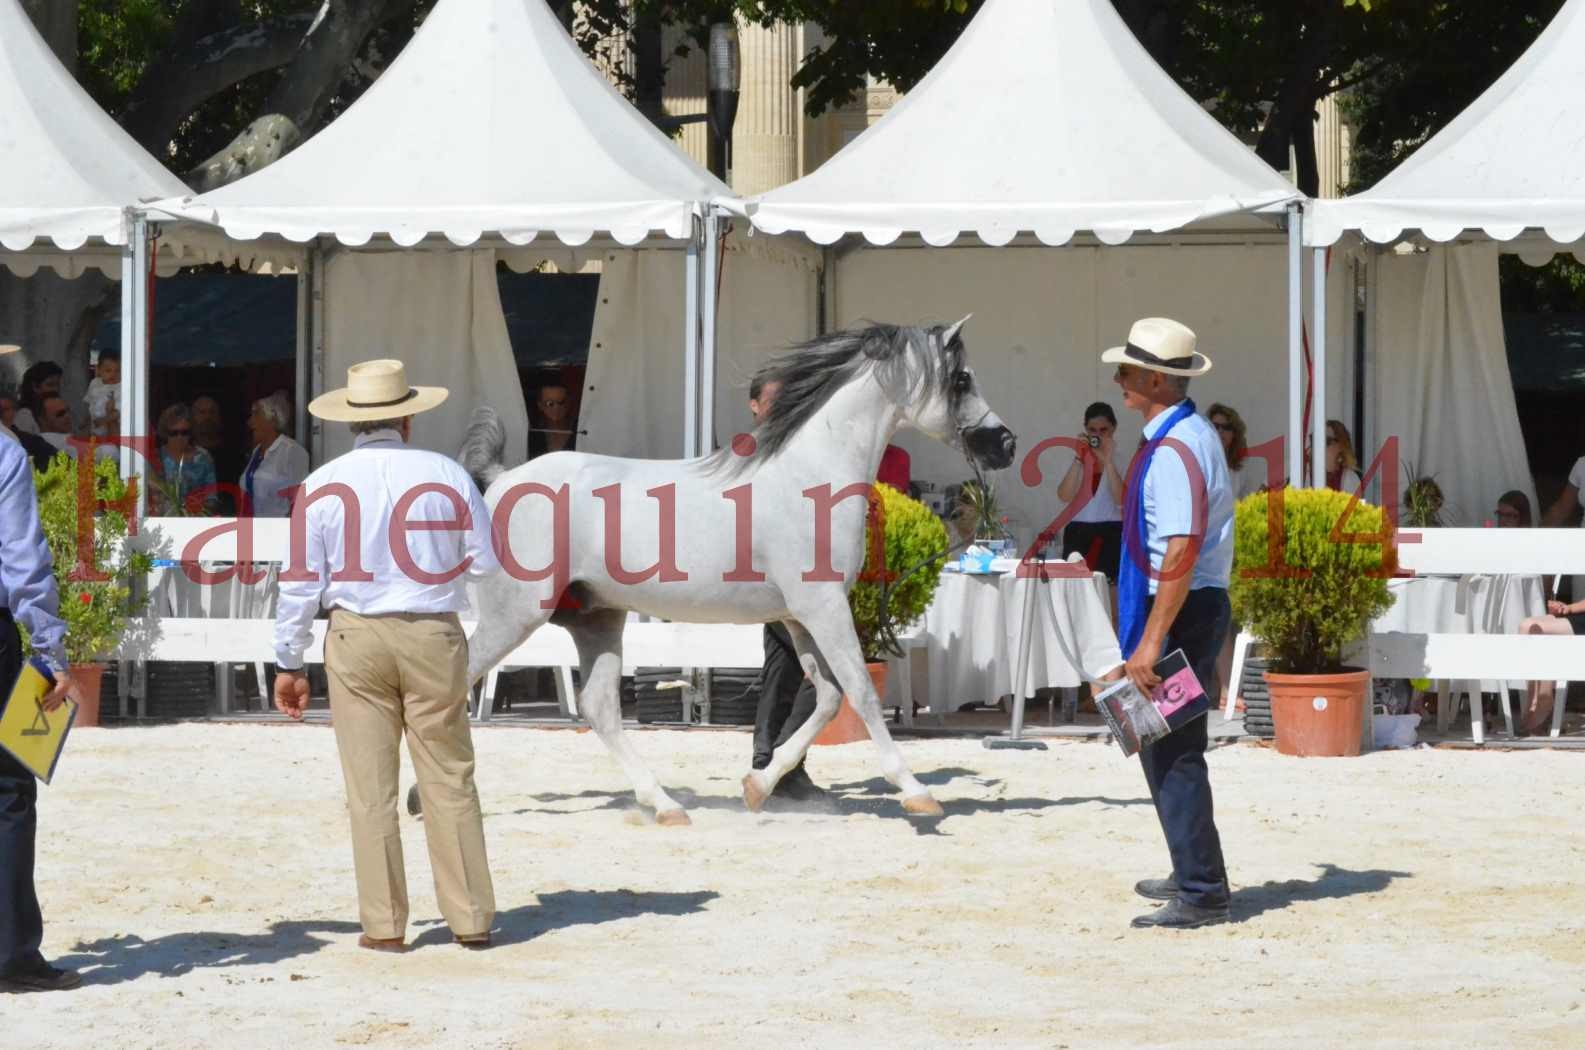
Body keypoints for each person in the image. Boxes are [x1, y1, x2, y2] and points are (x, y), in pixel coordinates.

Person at [272, 359, 499, 952]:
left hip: (356, 634)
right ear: (406, 416)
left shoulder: (322, 484)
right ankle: (470, 916)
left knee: (369, 787)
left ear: (352, 420)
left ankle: (384, 925)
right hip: (431, 630)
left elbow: (299, 583)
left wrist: (288, 661)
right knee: (449, 775)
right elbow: (485, 563)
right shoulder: (447, 473)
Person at [1101, 317, 1233, 930]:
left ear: (1155, 378)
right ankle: (1192, 870)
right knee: (1165, 745)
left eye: (1126, 370)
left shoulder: (1177, 447)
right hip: (1190, 606)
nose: (1118, 379)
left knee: (1174, 750)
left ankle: (1203, 890)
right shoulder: (1185, 435)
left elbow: (1179, 550)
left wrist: (1151, 640)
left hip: (1181, 610)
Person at [0, 426, 81, 992]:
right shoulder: (3, 451)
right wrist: (49, 648)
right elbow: (21, 556)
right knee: (7, 791)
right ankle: (11, 954)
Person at [744, 375, 830, 804]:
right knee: (820, 669)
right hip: (775, 572)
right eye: (773, 400)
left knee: (784, 669)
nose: (783, 406)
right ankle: (783, 763)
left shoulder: (797, 448)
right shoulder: (753, 453)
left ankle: (770, 761)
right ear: (754, 406)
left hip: (797, 572)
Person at [1056, 402, 1124, 581]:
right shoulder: (1077, 456)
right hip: (1078, 531)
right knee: (1074, 590)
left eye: (1104, 430)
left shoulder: (1121, 458)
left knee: (1109, 588)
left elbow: (1121, 500)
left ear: (1113, 429)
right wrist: (1079, 458)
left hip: (1111, 530)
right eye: (1092, 430)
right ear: (1085, 430)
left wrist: (1108, 461)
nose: (1098, 435)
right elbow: (1064, 496)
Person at [241, 392, 310, 517]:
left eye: (256, 414)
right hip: (254, 529)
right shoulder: (257, 451)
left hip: (279, 531)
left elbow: (299, 500)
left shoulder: (291, 451)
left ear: (272, 419)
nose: (250, 422)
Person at [153, 404, 219, 515]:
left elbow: (212, 498)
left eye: (184, 433)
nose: (179, 438)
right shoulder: (155, 458)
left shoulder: (203, 457)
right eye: (174, 433)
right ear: (165, 432)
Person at [1206, 403, 1263, 499]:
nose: (1220, 431)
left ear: (1234, 434)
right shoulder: (1198, 461)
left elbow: (1247, 502)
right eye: (1215, 426)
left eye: (1227, 427)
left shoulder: (1242, 466)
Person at [527, 382, 576, 459]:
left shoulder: (581, 432)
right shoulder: (533, 435)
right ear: (540, 405)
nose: (556, 408)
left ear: (569, 402)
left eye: (561, 402)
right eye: (550, 403)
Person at [12, 361, 63, 435]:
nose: (56, 389)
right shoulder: (25, 415)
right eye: (50, 385)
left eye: (58, 385)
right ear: (35, 387)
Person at [82, 349, 120, 439]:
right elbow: (90, 404)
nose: (113, 374)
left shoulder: (121, 387)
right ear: (98, 370)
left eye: (117, 371)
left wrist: (103, 420)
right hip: (94, 431)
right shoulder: (94, 383)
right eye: (108, 370)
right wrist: (86, 420)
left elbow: (118, 413)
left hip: (112, 432)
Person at [1324, 419, 1363, 494]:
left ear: (1340, 446)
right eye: (1314, 439)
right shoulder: (1308, 474)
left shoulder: (1349, 478)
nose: (1320, 445)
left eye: (1327, 441)